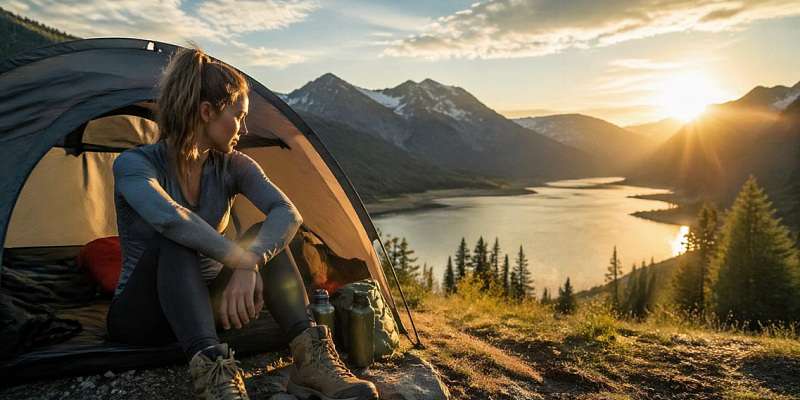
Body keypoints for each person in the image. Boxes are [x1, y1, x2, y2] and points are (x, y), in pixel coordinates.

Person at [106, 47, 379, 400]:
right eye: (239, 116)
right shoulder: (134, 164)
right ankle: (218, 383)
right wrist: (242, 261)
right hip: (143, 318)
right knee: (174, 241)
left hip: (206, 309)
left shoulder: (234, 164)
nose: (244, 128)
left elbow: (287, 212)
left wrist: (253, 258)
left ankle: (310, 362)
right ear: (207, 112)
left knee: (264, 236)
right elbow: (171, 219)